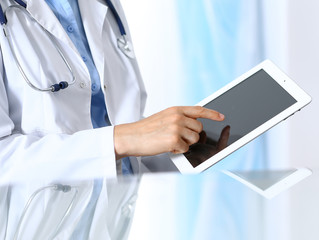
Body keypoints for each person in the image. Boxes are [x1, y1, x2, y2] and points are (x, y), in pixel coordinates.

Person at [0, 0, 224, 183]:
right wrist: (120, 140)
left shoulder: (105, 4)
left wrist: (178, 152)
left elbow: (122, 123)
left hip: (118, 219)